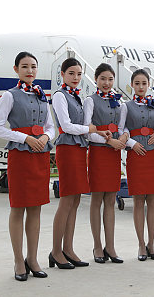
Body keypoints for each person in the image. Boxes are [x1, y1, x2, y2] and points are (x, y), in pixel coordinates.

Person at [0, 52, 54, 281]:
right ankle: (19, 261)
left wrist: (46, 136)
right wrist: (24, 138)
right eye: (25, 66)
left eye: (33, 67)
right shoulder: (10, 95)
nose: (30, 70)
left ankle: (33, 259)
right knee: (18, 208)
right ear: (16, 69)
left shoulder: (42, 96)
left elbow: (51, 126)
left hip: (40, 153)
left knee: (36, 208)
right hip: (20, 155)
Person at [48, 58, 107, 270]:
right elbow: (66, 126)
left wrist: (96, 131)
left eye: (79, 74)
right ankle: (56, 251)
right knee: (66, 200)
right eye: (71, 73)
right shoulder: (59, 96)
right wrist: (91, 130)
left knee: (74, 201)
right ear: (62, 74)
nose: (76, 78)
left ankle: (68, 248)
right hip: (67, 149)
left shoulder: (76, 97)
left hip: (79, 149)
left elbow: (83, 126)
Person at [119, 70, 154, 261]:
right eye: (137, 83)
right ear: (132, 85)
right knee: (138, 200)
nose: (140, 87)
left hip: (153, 154)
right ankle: (140, 244)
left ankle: (151, 244)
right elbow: (121, 129)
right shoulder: (126, 107)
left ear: (149, 85)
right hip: (136, 154)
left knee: (153, 200)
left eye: (144, 83)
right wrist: (132, 143)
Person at [83, 63, 127, 264]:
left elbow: (121, 127)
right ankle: (97, 246)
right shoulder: (90, 101)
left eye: (110, 79)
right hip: (99, 152)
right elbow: (88, 130)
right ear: (96, 79)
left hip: (113, 154)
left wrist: (123, 137)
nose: (107, 83)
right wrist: (110, 141)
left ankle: (111, 246)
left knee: (111, 199)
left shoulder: (119, 102)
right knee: (97, 199)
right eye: (103, 79)